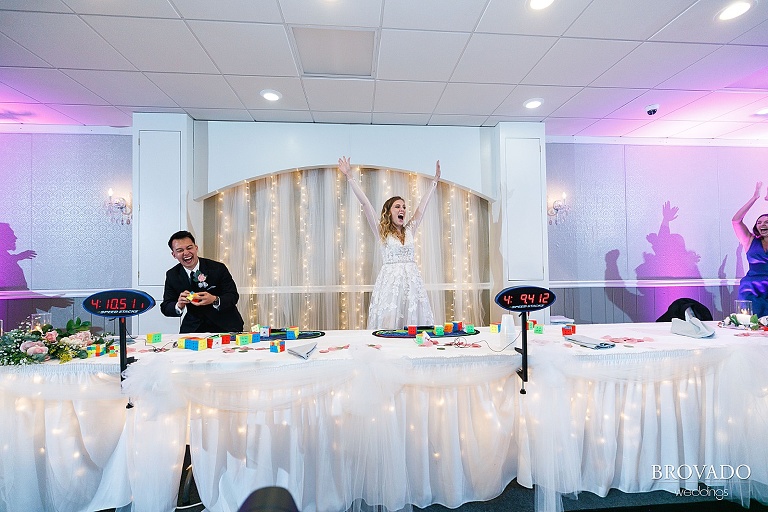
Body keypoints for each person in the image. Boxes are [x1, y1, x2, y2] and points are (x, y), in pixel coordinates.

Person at [338, 156, 438, 329]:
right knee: (390, 322)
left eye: (404, 207)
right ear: (389, 212)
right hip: (391, 284)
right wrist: (349, 176)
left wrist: (434, 182)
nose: (402, 210)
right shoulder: (382, 231)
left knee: (414, 323)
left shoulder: (409, 230)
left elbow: (422, 207)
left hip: (412, 284)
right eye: (398, 207)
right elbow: (365, 203)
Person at [160, 230, 244, 333]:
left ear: (196, 248)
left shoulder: (218, 268)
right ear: (174, 255)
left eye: (189, 248)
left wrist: (214, 299)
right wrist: (179, 304)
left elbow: (233, 296)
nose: (186, 253)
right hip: (193, 327)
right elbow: (165, 307)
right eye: (180, 250)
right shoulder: (172, 274)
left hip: (226, 325)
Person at [732, 182, 768, 318]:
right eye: (759, 222)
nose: (762, 224)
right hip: (751, 287)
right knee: (752, 323)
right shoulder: (750, 241)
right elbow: (736, 221)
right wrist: (755, 197)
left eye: (766, 222)